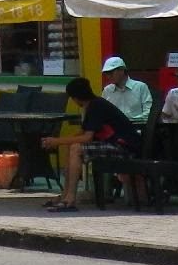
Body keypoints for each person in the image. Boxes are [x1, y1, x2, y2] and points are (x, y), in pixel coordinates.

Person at [39, 76, 142, 212]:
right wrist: (59, 142)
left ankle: (70, 200)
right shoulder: (93, 105)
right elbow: (81, 133)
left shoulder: (96, 106)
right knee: (73, 146)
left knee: (76, 148)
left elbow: (87, 138)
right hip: (113, 145)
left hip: (124, 148)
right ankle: (65, 195)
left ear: (75, 98)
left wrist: (57, 141)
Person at [99, 56, 153, 123]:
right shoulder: (107, 90)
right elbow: (103, 113)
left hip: (137, 128)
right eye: (106, 74)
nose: (108, 76)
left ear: (122, 70)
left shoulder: (140, 87)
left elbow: (149, 113)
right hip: (115, 130)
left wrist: (129, 121)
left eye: (111, 73)